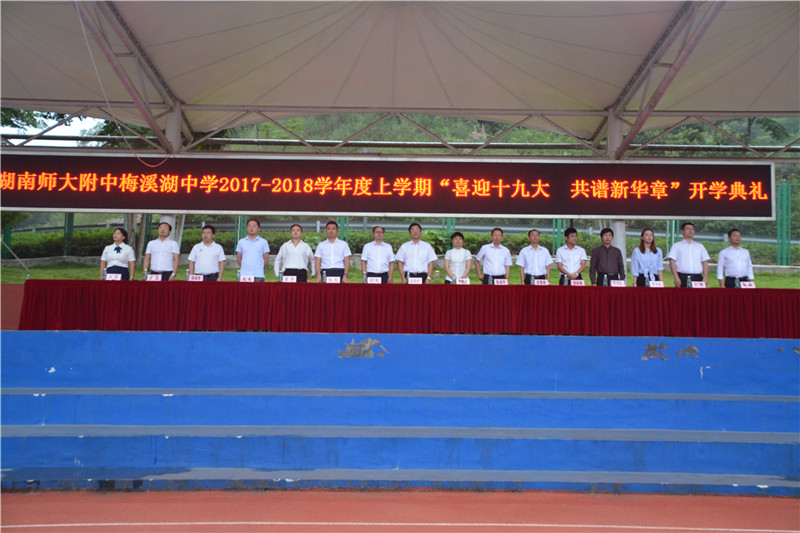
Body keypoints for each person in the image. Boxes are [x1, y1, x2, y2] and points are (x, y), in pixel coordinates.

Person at [668, 222, 710, 287]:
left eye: (692, 229)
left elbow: (704, 262)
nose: (690, 230)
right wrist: (676, 277)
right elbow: (672, 261)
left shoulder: (700, 246)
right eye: (688, 229)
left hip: (698, 278)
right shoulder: (676, 246)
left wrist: (705, 278)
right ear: (682, 231)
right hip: (682, 277)